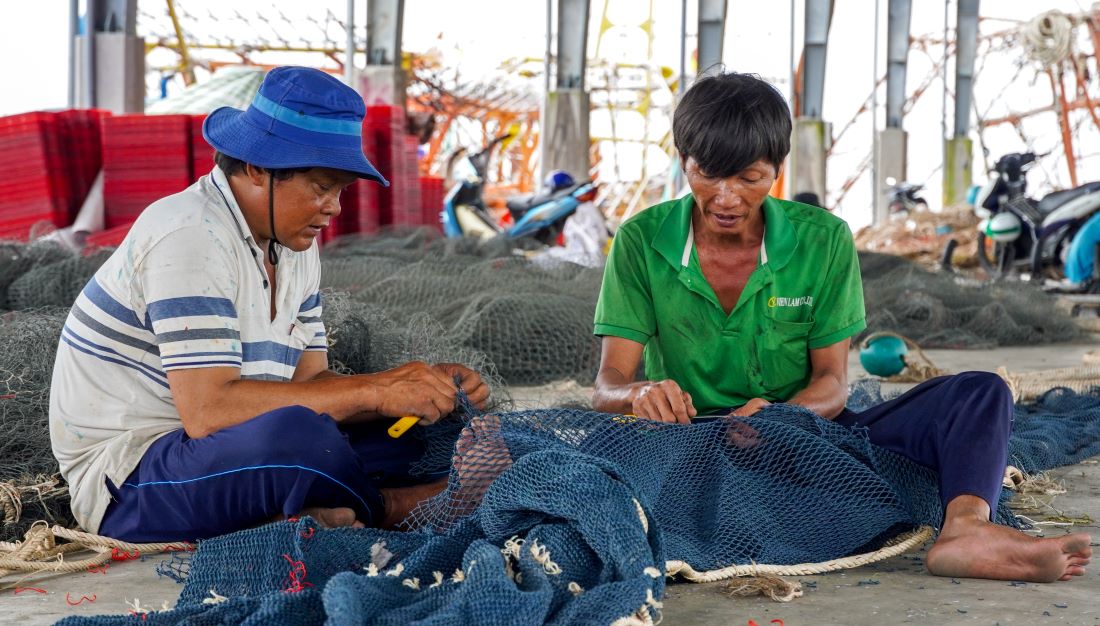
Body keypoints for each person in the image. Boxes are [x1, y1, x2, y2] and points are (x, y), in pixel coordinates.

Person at [591, 71, 1092, 583]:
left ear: (778, 170)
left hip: (805, 432)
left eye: (749, 178)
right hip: (690, 442)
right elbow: (607, 386)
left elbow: (831, 384)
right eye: (707, 175)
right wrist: (640, 392)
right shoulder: (639, 241)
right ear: (683, 162)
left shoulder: (825, 240)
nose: (725, 198)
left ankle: (965, 528)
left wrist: (780, 417)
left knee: (981, 394)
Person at [49, 66, 489, 542]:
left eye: (341, 190)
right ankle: (391, 509)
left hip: (227, 448)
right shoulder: (191, 233)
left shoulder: (293, 244)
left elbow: (313, 386)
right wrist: (376, 390)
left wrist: (416, 388)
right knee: (300, 440)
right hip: (133, 481)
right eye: (322, 187)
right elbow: (209, 412)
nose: (335, 207)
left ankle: (316, 509)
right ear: (258, 168)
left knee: (420, 434)